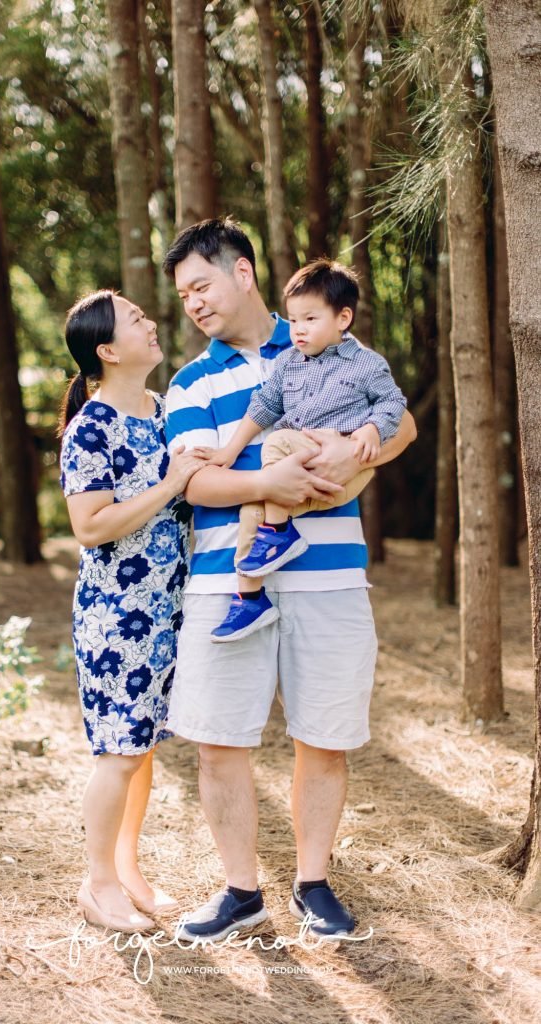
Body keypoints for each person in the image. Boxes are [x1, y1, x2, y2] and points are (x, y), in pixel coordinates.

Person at [163, 218, 417, 942]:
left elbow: (397, 427)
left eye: (202, 286)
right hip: (224, 576)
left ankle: (312, 881)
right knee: (218, 742)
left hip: (330, 574)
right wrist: (268, 479)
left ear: (241, 272)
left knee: (323, 737)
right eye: (183, 296)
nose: (195, 304)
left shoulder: (329, 342)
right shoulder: (190, 381)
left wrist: (349, 454)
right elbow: (193, 484)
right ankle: (240, 890)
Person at [59, 289, 204, 934]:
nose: (151, 322)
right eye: (137, 320)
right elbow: (90, 527)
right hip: (118, 614)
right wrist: (169, 484)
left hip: (168, 608)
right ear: (108, 351)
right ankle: (97, 886)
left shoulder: (165, 410)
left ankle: (126, 869)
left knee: (139, 749)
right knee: (119, 753)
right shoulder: (92, 426)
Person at [200, 258, 407, 642]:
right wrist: (229, 451)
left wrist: (371, 428)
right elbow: (262, 407)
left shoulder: (365, 363)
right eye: (293, 320)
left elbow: (393, 403)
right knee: (254, 508)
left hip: (344, 467)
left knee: (276, 442)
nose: (297, 330)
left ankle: (278, 532)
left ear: (342, 319)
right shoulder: (287, 364)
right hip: (303, 470)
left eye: (310, 320)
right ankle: (249, 599)